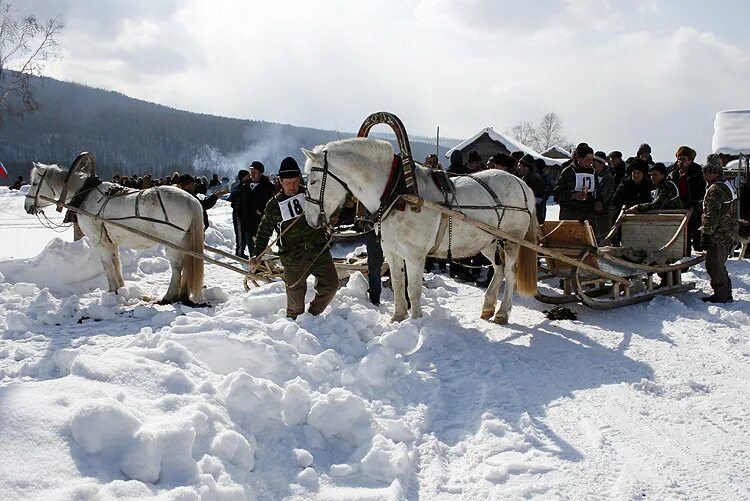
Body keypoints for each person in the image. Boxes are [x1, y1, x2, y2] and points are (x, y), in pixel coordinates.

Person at [250, 157, 339, 319]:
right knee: (296, 304)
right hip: (293, 258)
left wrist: (333, 216)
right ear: (280, 181)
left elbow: (330, 209)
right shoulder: (274, 205)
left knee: (331, 286)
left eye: (295, 181)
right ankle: (294, 325)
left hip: (318, 251)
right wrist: (258, 254)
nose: (291, 186)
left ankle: (312, 315)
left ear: (299, 179)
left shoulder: (311, 195)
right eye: (287, 182)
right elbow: (264, 232)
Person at [700, 154, 738, 303]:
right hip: (727, 232)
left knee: (714, 265)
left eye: (709, 173)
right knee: (719, 264)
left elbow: (712, 215)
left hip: (718, 234)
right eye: (705, 172)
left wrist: (706, 233)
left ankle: (721, 296)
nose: (706, 176)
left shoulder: (715, 189)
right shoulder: (727, 184)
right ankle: (726, 293)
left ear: (716, 173)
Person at [669, 146, 705, 251]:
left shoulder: (697, 172)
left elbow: (701, 190)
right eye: (679, 159)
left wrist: (697, 203)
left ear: (690, 161)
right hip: (678, 205)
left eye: (683, 159)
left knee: (695, 230)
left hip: (693, 205)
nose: (680, 161)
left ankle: (698, 251)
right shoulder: (672, 172)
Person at [238, 161, 275, 258]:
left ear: (261, 173)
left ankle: (262, 267)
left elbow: (272, 203)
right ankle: (256, 269)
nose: (252, 174)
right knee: (251, 249)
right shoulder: (244, 185)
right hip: (247, 223)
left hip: (261, 223)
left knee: (261, 248)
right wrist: (240, 215)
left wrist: (262, 210)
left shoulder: (268, 187)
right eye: (251, 171)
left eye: (254, 172)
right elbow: (239, 202)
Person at [553, 143, 597, 222]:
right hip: (570, 216)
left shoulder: (593, 173)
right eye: (588, 160)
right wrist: (573, 195)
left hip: (588, 217)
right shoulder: (568, 172)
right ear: (580, 158)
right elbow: (557, 193)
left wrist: (598, 201)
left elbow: (597, 191)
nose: (591, 163)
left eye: (592, 160)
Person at [592, 151, 615, 243]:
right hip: (592, 213)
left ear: (602, 163)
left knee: (603, 238)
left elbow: (604, 196)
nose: (593, 166)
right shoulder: (592, 175)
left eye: (595, 164)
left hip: (604, 213)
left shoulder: (608, 177)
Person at [518, 154, 546, 224]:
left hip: (534, 216)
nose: (518, 168)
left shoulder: (534, 179)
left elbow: (536, 200)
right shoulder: (526, 177)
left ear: (526, 167)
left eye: (519, 166)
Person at [229, 169, 249, 257]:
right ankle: (239, 252)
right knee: (240, 234)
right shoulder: (238, 188)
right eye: (247, 176)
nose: (249, 177)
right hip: (238, 214)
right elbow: (231, 199)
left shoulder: (245, 186)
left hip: (244, 214)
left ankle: (242, 251)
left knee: (244, 233)